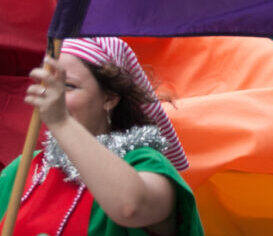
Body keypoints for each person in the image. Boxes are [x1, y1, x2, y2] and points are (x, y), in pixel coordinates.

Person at [0, 37, 203, 235]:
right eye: (48, 84)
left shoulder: (145, 163)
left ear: (110, 97)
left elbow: (130, 207)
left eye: (68, 85)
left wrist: (62, 122)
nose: (51, 96)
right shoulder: (25, 167)